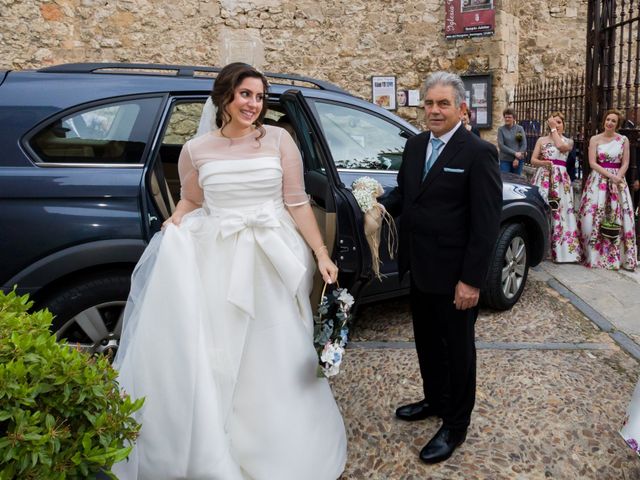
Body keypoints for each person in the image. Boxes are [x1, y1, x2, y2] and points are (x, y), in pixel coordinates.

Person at [112, 63, 347, 480]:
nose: (253, 104)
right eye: (245, 95)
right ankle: (219, 440)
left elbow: (295, 202)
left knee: (274, 348)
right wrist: (175, 224)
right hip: (218, 259)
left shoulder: (279, 140)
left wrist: (322, 252)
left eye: (259, 97)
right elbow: (191, 200)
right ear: (225, 96)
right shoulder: (195, 149)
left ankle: (280, 448)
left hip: (271, 258)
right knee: (220, 350)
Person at [381, 71, 502, 464]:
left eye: (443, 104)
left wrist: (471, 280)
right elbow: (407, 194)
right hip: (419, 268)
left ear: (462, 109)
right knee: (427, 343)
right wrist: (377, 204)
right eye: (429, 103)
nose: (434, 110)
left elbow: (485, 225)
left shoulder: (478, 153)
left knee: (458, 351)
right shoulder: (416, 146)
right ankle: (435, 399)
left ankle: (455, 424)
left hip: (455, 278)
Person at [577, 109, 637, 270]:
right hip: (598, 180)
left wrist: (617, 178)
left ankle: (616, 256)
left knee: (618, 218)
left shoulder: (623, 140)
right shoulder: (594, 139)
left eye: (613, 121)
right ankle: (592, 254)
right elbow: (592, 163)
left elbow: (625, 162)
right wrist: (610, 177)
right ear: (604, 120)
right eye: (608, 119)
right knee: (592, 216)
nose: (610, 123)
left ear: (617, 125)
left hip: (618, 180)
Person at [530, 111, 582, 263]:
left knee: (561, 211)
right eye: (554, 122)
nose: (556, 124)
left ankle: (561, 251)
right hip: (544, 177)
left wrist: (553, 130)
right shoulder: (541, 140)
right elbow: (533, 160)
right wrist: (543, 163)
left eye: (559, 122)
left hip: (561, 180)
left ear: (563, 125)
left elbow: (561, 147)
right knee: (543, 210)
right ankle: (541, 248)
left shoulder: (568, 141)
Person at [497, 107, 527, 175]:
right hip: (505, 160)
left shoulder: (518, 129)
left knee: (517, 181)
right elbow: (501, 146)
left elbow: (522, 144)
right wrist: (515, 153)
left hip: (518, 160)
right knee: (505, 180)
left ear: (514, 118)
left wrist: (517, 158)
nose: (507, 119)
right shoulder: (501, 130)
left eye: (509, 117)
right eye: (506, 117)